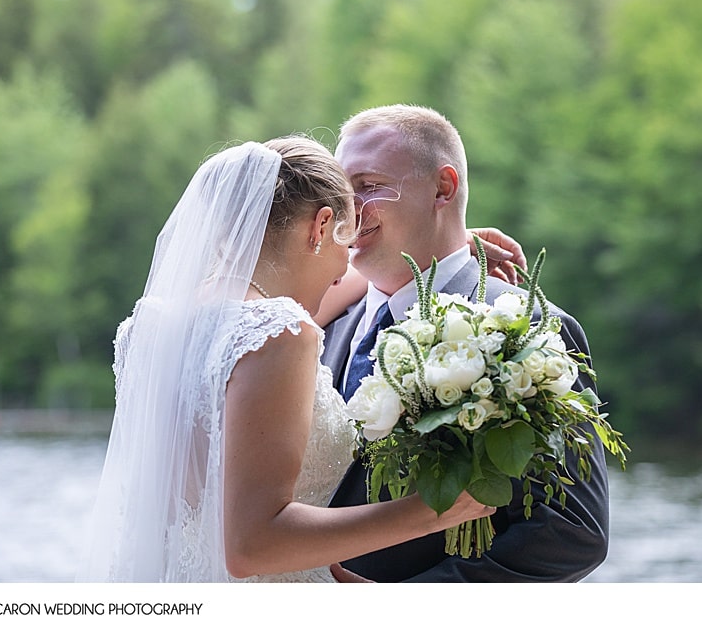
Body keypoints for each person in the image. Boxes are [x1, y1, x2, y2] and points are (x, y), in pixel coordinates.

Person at [77, 136, 521, 582]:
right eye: (345, 247)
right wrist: (437, 509)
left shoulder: (156, 327)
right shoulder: (280, 331)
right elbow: (253, 545)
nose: (343, 271)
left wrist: (452, 244)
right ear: (321, 225)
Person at [323, 104, 611, 582]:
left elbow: (571, 530)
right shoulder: (321, 326)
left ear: (443, 188)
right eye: (340, 191)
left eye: (370, 186)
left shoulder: (529, 327)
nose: (349, 210)